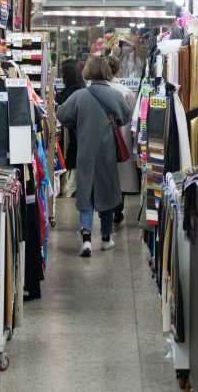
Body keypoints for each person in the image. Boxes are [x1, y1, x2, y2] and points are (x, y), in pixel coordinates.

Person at [55, 56, 131, 257]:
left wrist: (77, 123)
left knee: (86, 193)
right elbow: (125, 117)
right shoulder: (115, 95)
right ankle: (106, 238)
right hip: (107, 152)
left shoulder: (80, 95)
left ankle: (87, 238)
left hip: (85, 151)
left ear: (87, 71)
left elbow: (61, 115)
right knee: (106, 192)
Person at [105, 55, 136, 226]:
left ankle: (106, 210)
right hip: (122, 137)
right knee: (120, 175)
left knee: (105, 174)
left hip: (102, 137)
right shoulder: (126, 91)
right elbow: (132, 118)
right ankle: (118, 209)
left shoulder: (93, 90)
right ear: (118, 70)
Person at [56, 59, 85, 198]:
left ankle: (70, 188)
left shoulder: (74, 92)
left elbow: (64, 111)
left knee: (72, 162)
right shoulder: (80, 89)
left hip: (72, 135)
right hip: (77, 135)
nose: (61, 76)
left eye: (63, 73)